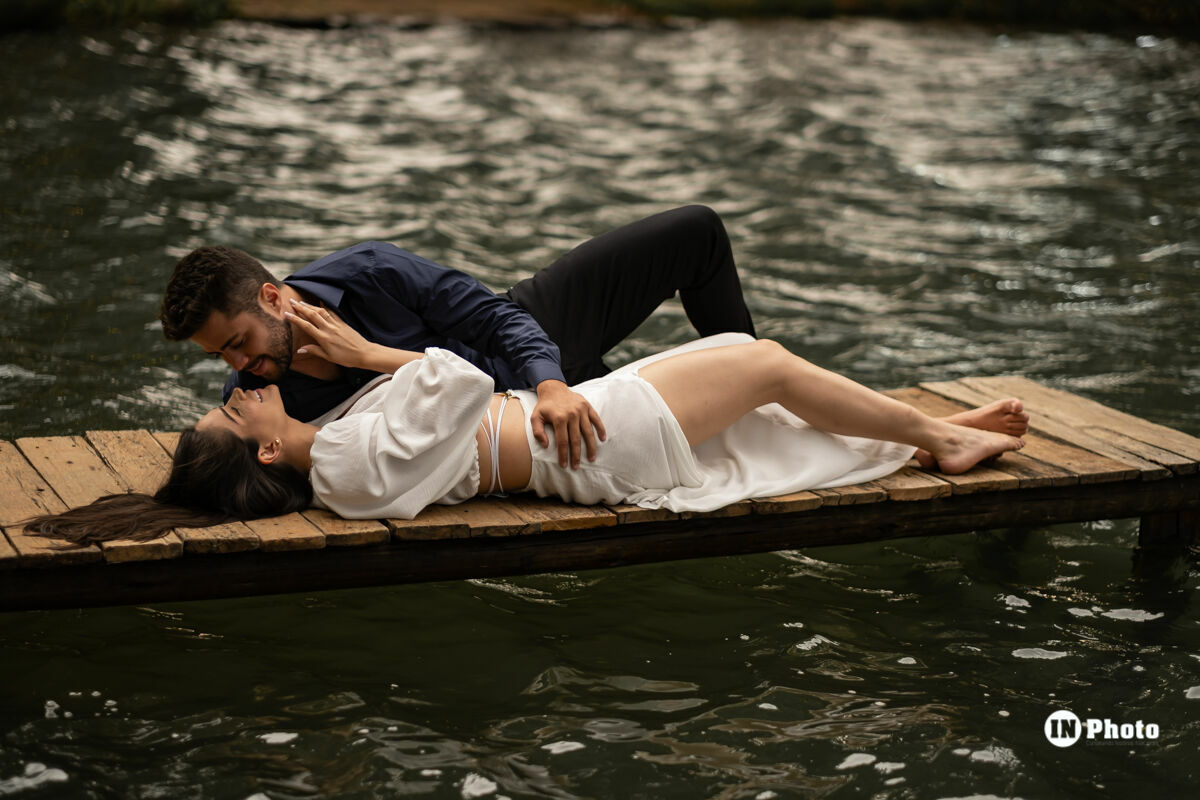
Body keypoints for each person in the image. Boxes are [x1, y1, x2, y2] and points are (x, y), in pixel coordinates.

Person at [27, 301, 1028, 544]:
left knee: (756, 394)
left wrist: (364, 365)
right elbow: (461, 381)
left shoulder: (333, 459)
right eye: (238, 407)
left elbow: (444, 401)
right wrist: (376, 356)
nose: (246, 390)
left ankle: (924, 427)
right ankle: (939, 438)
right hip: (586, 441)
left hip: (571, 436)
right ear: (268, 447)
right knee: (760, 363)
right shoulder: (343, 466)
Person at [160, 205, 757, 471]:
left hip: (531, 347)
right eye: (220, 355)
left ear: (272, 297)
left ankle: (760, 389)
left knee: (696, 231)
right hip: (511, 432)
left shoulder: (371, 271)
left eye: (238, 341)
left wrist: (550, 382)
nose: (239, 366)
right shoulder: (259, 399)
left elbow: (498, 322)